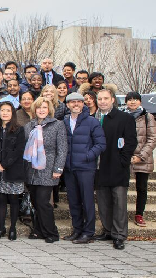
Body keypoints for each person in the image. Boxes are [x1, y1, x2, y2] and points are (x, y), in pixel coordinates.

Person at [93, 88, 137, 250]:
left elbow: (131, 142)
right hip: (99, 167)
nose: (102, 101)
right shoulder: (94, 118)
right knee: (103, 202)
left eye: (105, 98)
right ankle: (108, 230)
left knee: (119, 202)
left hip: (117, 166)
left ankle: (119, 235)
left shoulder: (124, 118)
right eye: (100, 99)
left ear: (112, 100)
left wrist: (123, 161)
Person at [62, 92, 106, 244]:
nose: (76, 104)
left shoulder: (92, 121)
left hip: (86, 168)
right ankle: (77, 229)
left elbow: (101, 144)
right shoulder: (65, 121)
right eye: (72, 102)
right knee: (73, 200)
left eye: (79, 102)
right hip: (69, 168)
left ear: (83, 104)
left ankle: (89, 232)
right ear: (67, 105)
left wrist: (87, 156)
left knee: (87, 201)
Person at [23, 97, 68, 243]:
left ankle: (51, 232)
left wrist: (58, 168)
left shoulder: (57, 125)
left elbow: (62, 149)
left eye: (44, 107)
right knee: (35, 202)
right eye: (38, 108)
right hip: (32, 170)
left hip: (48, 169)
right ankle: (38, 231)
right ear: (34, 110)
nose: (41, 110)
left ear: (49, 110)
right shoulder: (29, 126)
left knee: (43, 202)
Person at [0, 102, 26, 240]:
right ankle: (1, 228)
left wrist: (5, 164)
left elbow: (18, 150)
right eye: (2, 110)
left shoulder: (19, 129)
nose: (5, 113)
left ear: (12, 113)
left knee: (13, 199)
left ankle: (13, 228)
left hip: (13, 170)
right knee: (0, 200)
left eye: (8, 110)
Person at [124, 92, 156, 228]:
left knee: (141, 187)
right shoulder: (123, 116)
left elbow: (152, 139)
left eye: (135, 100)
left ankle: (139, 214)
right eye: (130, 100)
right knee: (122, 187)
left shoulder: (147, 117)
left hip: (143, 159)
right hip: (126, 157)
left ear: (140, 102)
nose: (132, 102)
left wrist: (141, 156)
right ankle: (121, 214)